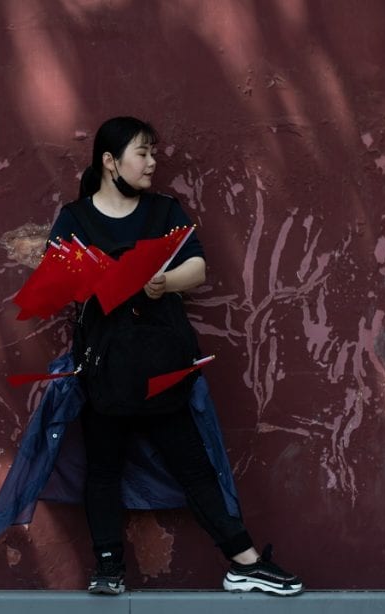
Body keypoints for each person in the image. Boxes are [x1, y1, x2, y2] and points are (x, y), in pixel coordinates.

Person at [46, 116, 303, 596]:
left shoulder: (165, 211)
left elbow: (198, 268)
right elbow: (58, 276)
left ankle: (243, 562)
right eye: (142, 153)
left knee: (193, 464)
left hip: (162, 364)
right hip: (105, 366)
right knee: (103, 465)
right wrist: (103, 278)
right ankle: (107, 568)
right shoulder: (75, 218)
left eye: (153, 153)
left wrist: (164, 282)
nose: (152, 162)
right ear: (110, 161)